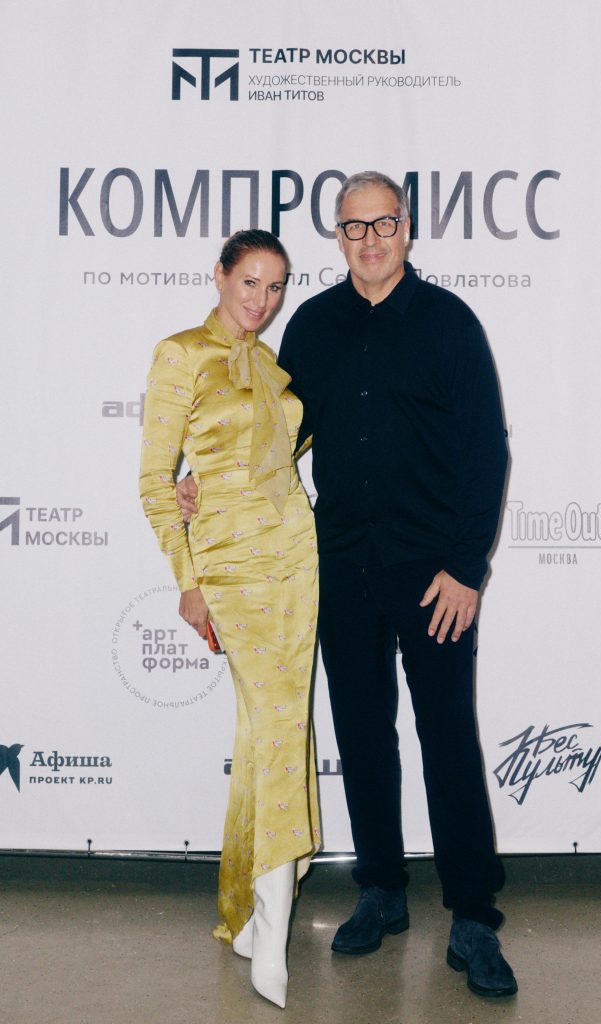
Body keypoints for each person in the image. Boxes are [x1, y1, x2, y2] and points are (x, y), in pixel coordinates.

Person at [179, 172, 516, 999]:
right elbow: (275, 434)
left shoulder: (449, 323)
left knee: (446, 738)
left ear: (407, 229)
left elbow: (486, 451)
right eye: (353, 227)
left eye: (383, 224)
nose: (369, 240)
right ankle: (381, 891)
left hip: (433, 573)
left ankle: (473, 915)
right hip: (337, 565)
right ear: (337, 236)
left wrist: (466, 569)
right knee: (362, 737)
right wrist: (206, 479)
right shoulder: (314, 324)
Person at [139, 230, 321, 1009]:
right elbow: (155, 479)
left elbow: (280, 456)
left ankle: (250, 915)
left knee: (274, 730)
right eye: (250, 282)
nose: (262, 300)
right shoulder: (179, 354)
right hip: (228, 565)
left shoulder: (273, 364)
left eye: (275, 287)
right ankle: (270, 934)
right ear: (218, 276)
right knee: (277, 724)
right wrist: (188, 580)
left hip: (296, 555)